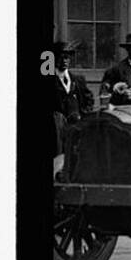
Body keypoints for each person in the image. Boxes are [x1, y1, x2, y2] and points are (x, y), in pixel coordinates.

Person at [49, 39, 94, 171]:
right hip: (56, 131)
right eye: (61, 57)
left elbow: (88, 100)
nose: (64, 61)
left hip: (75, 128)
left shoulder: (78, 80)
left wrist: (82, 115)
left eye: (67, 57)